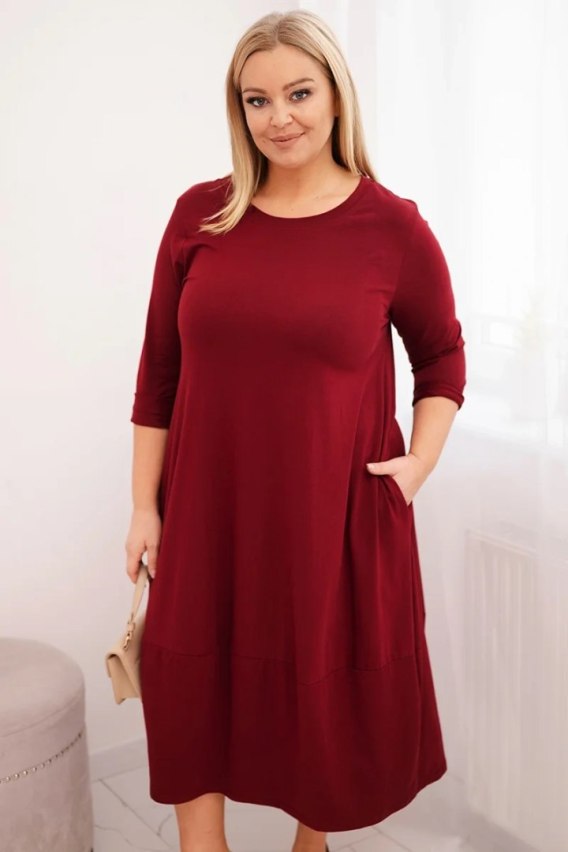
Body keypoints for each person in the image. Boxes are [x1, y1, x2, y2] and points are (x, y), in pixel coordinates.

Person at [124, 9, 466, 852]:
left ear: (336, 96)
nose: (279, 117)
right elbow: (159, 371)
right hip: (208, 508)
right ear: (238, 109)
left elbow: (441, 357)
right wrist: (143, 505)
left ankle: (311, 845)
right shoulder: (200, 215)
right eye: (257, 99)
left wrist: (418, 463)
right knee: (188, 680)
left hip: (334, 514)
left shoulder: (391, 227)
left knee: (323, 689)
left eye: (299, 93)